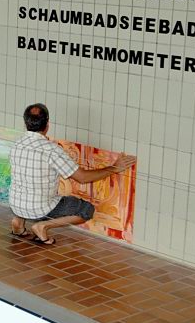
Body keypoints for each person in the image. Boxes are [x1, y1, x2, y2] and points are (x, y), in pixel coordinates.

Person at [9, 103, 136, 245]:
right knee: (86, 210)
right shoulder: (51, 150)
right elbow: (82, 178)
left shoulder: (17, 144)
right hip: (38, 209)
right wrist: (114, 168)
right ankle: (42, 226)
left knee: (30, 189)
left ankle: (18, 222)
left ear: (25, 123)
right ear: (47, 124)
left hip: (15, 205)